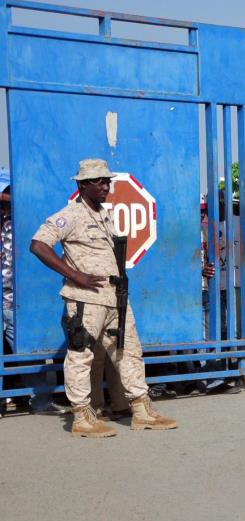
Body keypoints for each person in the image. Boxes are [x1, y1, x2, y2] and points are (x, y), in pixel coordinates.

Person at [29, 159, 176, 437]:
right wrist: (75, 275)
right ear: (83, 184)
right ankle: (82, 417)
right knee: (81, 356)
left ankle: (141, 410)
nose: (106, 186)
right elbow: (38, 244)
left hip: (114, 298)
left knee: (129, 352)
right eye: (99, 181)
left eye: (107, 181)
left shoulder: (103, 214)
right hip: (86, 299)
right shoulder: (70, 215)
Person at [0, 171, 68, 415]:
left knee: (28, 353)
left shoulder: (21, 221)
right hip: (6, 300)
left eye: (7, 191)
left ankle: (40, 400)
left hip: (14, 302)